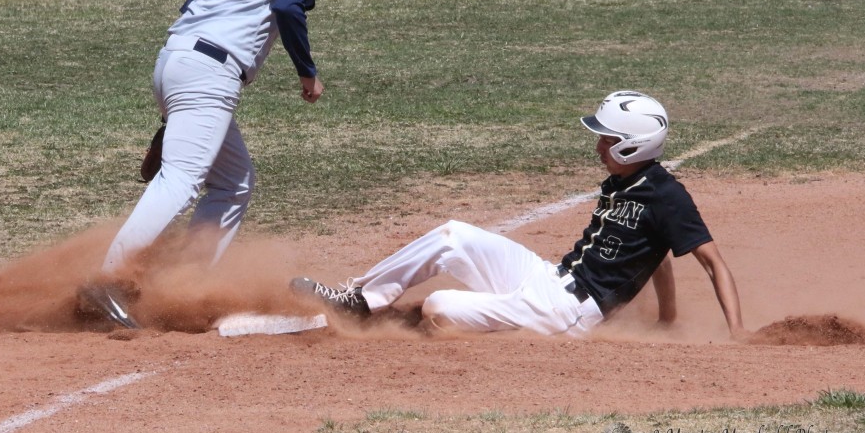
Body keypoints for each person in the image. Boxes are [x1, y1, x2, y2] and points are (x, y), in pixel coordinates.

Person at [79, 0, 326, 329]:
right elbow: (287, 7)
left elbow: (196, 7)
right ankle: (107, 280)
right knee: (181, 178)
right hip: (209, 74)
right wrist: (307, 72)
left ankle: (181, 286)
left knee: (234, 182)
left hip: (173, 61)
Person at [292, 91, 747, 340]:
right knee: (454, 235)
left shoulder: (669, 196)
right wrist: (666, 318)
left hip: (567, 314)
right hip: (547, 278)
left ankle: (493, 324)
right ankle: (358, 300)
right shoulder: (624, 182)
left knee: (439, 306)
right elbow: (658, 253)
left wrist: (738, 333)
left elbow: (714, 264)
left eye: (608, 139)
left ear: (634, 145)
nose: (598, 146)